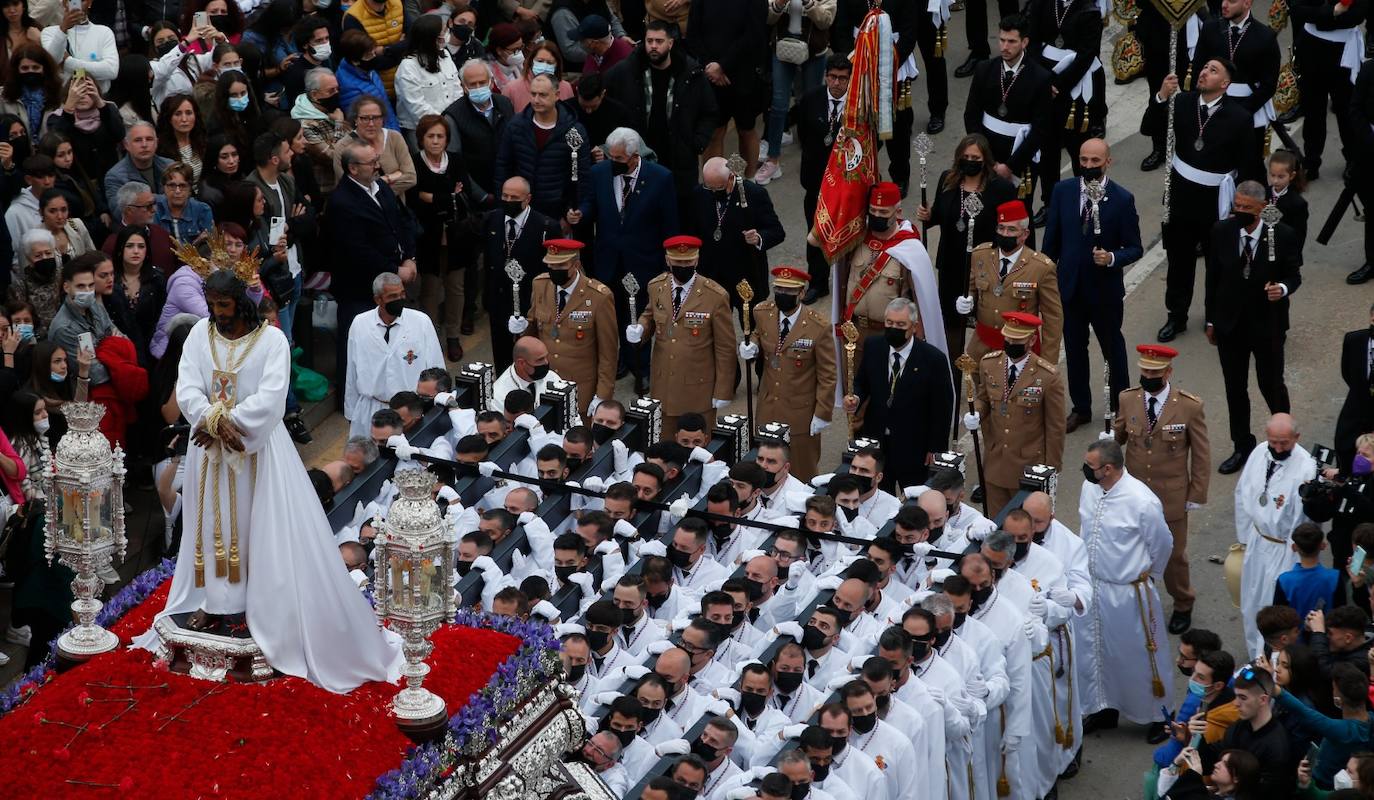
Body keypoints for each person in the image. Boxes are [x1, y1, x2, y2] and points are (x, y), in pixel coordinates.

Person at [133, 268, 404, 693]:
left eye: (224, 305)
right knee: (214, 530)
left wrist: (226, 422)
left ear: (240, 301)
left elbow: (272, 397)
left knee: (261, 527)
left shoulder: (272, 340)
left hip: (258, 453)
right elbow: (187, 388)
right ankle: (215, 602)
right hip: (209, 451)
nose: (218, 314)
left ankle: (266, 607)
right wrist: (208, 419)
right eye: (212, 305)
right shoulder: (201, 336)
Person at [1076, 438, 1175, 739]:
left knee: (1140, 656)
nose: (1085, 471)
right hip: (1096, 586)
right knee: (1098, 652)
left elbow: (1162, 543)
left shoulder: (1141, 501)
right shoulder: (1089, 489)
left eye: (1090, 466)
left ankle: (1160, 716)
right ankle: (1105, 708)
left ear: (1107, 469)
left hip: (1128, 592)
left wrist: (1147, 576)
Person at [1150, 58, 1254, 342]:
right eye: (1204, 67)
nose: (1204, 72)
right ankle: (1177, 316)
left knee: (1217, 263)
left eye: (1213, 70)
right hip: (1181, 195)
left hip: (1215, 201)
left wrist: (1243, 207)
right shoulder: (1182, 102)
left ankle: (1214, 317)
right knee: (1179, 260)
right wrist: (1161, 96)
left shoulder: (1240, 118)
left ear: (1225, 83)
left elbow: (1248, 166)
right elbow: (1150, 127)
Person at [1042, 138, 1141, 429]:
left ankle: (1121, 406)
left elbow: (1134, 247)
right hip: (1070, 287)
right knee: (1074, 349)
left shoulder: (1122, 199)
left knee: (1112, 348)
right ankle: (1081, 407)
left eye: (1094, 161)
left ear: (1107, 161)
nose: (1088, 166)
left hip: (1104, 290)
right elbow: (1052, 242)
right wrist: (1045, 279)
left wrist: (1111, 257)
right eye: (1083, 160)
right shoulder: (1063, 191)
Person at [1113, 344, 1210, 634]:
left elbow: (1202, 454)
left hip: (1171, 495)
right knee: (1135, 549)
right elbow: (1119, 435)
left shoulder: (1189, 406)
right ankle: (1142, 597)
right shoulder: (1129, 399)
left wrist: (1196, 494)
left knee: (1173, 555)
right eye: (1144, 371)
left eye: (1155, 372)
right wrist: (1108, 439)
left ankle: (1183, 602)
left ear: (1168, 372)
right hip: (1134, 494)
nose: (1148, 376)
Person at [1206, 181, 1303, 474]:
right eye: (1237, 206)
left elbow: (1294, 274)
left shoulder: (1282, 235)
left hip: (1267, 325)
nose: (1240, 212)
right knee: (1235, 388)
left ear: (1262, 208)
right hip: (1230, 325)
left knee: (1271, 384)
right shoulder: (1222, 231)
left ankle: (1283, 442)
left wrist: (1283, 289)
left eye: (1246, 208)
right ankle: (1242, 445)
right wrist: (1211, 319)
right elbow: (1213, 278)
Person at [574, 126, 679, 393]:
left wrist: (672, 258)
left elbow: (670, 221)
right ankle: (619, 359)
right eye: (611, 157)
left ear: (634, 157)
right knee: (612, 313)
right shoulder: (599, 173)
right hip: (608, 257)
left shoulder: (660, 177)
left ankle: (641, 368)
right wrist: (581, 214)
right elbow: (590, 203)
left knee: (638, 314)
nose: (613, 163)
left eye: (619, 159)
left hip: (643, 259)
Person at [325, 139, 417, 407]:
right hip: (359, 287)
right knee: (356, 345)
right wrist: (394, 271)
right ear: (353, 168)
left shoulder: (382, 189)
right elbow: (357, 249)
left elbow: (403, 222)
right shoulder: (342, 202)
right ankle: (351, 401)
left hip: (393, 276)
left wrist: (410, 257)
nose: (378, 166)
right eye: (372, 162)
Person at [915, 134, 1017, 364]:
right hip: (951, 264)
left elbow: (1010, 226)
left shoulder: (1000, 188)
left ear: (985, 160)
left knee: (987, 320)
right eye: (966, 156)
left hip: (984, 267)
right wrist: (929, 216)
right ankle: (952, 374)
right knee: (951, 323)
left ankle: (988, 371)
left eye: (975, 157)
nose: (970, 161)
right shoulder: (948, 180)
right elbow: (942, 215)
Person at [831, 180, 947, 371]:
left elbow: (920, 299)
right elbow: (819, 240)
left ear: (898, 212)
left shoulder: (909, 248)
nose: (876, 216)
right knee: (853, 392)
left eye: (883, 212)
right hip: (854, 332)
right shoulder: (855, 238)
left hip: (889, 334)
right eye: (873, 210)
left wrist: (918, 334)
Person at [626, 235, 735, 437]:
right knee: (663, 445)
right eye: (677, 262)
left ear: (697, 260)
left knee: (696, 447)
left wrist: (723, 390)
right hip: (663, 386)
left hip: (697, 389)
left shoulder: (715, 296)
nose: (682, 266)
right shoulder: (656, 287)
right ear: (668, 260)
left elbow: (725, 348)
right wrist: (640, 329)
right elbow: (650, 315)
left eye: (688, 262)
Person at [601, 19, 718, 202]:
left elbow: (709, 111)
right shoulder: (627, 70)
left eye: (659, 41)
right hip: (640, 157)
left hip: (679, 159)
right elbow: (605, 102)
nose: (653, 46)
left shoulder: (691, 73)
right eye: (649, 41)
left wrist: (697, 142)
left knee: (681, 213)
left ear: (670, 43)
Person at [738, 265, 836, 481]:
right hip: (768, 407)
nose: (782, 295)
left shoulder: (818, 327)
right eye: (778, 290)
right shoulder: (763, 313)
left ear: (801, 293)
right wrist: (752, 346)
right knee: (765, 470)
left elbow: (828, 374)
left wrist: (822, 413)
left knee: (800, 473)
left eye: (789, 292)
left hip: (800, 414)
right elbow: (757, 333)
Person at [843, 298, 953, 490]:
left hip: (914, 446)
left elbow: (942, 408)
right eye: (890, 323)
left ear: (914, 327)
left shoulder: (933, 359)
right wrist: (856, 398)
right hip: (877, 442)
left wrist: (935, 448)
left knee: (912, 503)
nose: (894, 328)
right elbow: (862, 381)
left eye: (901, 324)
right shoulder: (874, 346)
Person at [1236, 414, 1318, 658]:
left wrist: (1297, 555)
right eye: (1274, 442)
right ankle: (1254, 656)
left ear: (1297, 438)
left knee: (1275, 608)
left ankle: (1275, 662)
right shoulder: (1260, 451)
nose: (1278, 448)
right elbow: (1242, 492)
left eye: (1284, 443)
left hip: (1284, 548)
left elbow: (1305, 518)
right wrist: (1243, 538)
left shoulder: (1307, 467)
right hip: (1257, 540)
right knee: (1250, 601)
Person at [967, 311, 1066, 513]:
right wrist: (976, 412)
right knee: (995, 526)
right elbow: (984, 398)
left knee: (1026, 529)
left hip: (1028, 468)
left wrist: (1051, 470)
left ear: (1032, 340)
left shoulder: (1047, 376)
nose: (1011, 342)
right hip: (995, 463)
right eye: (1008, 337)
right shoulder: (989, 364)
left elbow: (1055, 427)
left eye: (1017, 339)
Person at [507, 239, 617, 418]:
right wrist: (521, 329)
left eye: (561, 266)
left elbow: (609, 354)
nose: (555, 271)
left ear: (576, 265)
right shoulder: (540, 285)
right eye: (551, 266)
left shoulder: (599, 297)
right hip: (543, 385)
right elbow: (533, 331)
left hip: (580, 390)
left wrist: (602, 395)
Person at [963, 15, 1054, 219]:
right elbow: (971, 115)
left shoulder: (1040, 77)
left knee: (1018, 214)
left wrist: (1011, 166)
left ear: (1024, 42)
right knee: (984, 212)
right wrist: (989, 161)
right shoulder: (985, 69)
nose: (1005, 46)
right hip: (987, 151)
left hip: (1020, 153)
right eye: (1002, 40)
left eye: (1011, 41)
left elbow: (1040, 129)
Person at [957, 199, 1063, 371]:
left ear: (1025, 234)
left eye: (1011, 229)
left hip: (1020, 350)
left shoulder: (1041, 267)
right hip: (982, 347)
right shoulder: (980, 255)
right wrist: (966, 300)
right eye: (1001, 228)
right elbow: (971, 288)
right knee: (979, 397)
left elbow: (1053, 318)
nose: (1005, 234)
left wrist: (1047, 362)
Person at [1188, 0, 1280, 182]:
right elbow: (1198, 70)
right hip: (1213, 105)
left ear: (1247, 3)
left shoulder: (1265, 36)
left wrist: (1242, 113)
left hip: (1248, 109)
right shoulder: (1210, 28)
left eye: (1231, 1)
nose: (1224, 4)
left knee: (1249, 167)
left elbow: (1269, 85)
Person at [344, 272, 444, 438]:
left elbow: (437, 370)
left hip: (409, 412)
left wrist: (434, 408)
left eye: (402, 294)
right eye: (392, 296)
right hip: (371, 409)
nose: (399, 299)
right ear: (378, 299)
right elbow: (352, 372)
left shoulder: (421, 322)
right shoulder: (360, 324)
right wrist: (351, 413)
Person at [408, 113, 475, 361]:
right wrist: (446, 196)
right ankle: (431, 338)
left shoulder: (456, 161)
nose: (436, 141)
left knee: (456, 287)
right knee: (430, 289)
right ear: (421, 139)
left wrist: (433, 197)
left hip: (456, 236)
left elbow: (462, 192)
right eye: (430, 136)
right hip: (428, 237)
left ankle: (453, 336)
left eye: (440, 136)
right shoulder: (415, 163)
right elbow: (415, 199)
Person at [688, 156, 785, 318]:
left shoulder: (754, 194)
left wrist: (758, 238)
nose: (712, 192)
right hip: (712, 275)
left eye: (717, 188)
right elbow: (693, 230)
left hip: (746, 274)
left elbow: (776, 231)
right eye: (708, 187)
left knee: (752, 327)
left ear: (731, 178)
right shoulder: (699, 194)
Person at [482, 177, 560, 374]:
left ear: (528, 199)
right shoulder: (493, 219)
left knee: (531, 358)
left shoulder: (546, 226)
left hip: (530, 303)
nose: (508, 200)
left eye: (514, 197)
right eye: (505, 196)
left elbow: (552, 272)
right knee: (502, 358)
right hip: (499, 301)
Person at [755, 0, 835, 187]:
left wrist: (809, 4)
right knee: (778, 104)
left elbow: (826, 21)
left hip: (814, 51)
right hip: (783, 49)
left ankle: (814, 156)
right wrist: (778, 5)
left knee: (812, 105)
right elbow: (767, 18)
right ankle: (773, 159)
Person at [493, 72, 591, 221]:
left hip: (556, 211)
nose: (536, 100)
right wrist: (504, 205)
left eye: (543, 95)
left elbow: (579, 174)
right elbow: (503, 166)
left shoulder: (573, 131)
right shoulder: (516, 125)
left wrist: (571, 209)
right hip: (519, 207)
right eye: (533, 94)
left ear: (557, 95)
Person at [1289, 0, 1365, 181]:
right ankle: (1311, 160)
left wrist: (1322, 15)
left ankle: (1352, 160)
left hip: (1343, 50)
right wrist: (1334, 11)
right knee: (1313, 108)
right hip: (1311, 48)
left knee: (1346, 109)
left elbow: (1356, 15)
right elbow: (1298, 9)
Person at [444, 57, 515, 208]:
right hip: (480, 197)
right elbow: (456, 162)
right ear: (464, 87)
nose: (478, 87)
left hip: (510, 189)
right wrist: (481, 196)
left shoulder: (505, 104)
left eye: (482, 82)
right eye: (472, 84)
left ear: (491, 82)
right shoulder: (453, 116)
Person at [107, 225, 166, 368]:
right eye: (130, 246)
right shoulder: (109, 278)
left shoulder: (157, 278)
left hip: (150, 348)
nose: (136, 251)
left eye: (141, 246)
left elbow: (162, 315)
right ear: (121, 249)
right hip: (119, 348)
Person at [393, 15, 461, 138]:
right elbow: (416, 106)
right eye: (443, 32)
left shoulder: (445, 54)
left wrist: (455, 118)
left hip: (452, 123)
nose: (447, 34)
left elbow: (457, 89)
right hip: (421, 129)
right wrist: (442, 122)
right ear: (431, 38)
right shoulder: (408, 67)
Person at [335, 95, 416, 196]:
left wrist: (374, 186)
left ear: (383, 119)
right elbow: (353, 189)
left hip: (395, 208)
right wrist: (390, 177)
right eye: (364, 118)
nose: (371, 124)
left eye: (376, 118)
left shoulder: (395, 137)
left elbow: (411, 178)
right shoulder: (343, 147)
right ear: (355, 120)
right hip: (363, 210)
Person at [1274, 523, 1348, 619]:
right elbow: (1341, 614)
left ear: (1294, 547)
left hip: (1294, 633)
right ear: (1323, 546)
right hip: (1327, 632)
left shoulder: (1284, 580)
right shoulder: (1335, 577)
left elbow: (1278, 618)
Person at [37, 0, 115, 90]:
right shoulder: (49, 32)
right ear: (64, 3)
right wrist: (63, 29)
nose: (77, 4)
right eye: (71, 0)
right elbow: (52, 64)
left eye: (82, 0)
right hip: (63, 98)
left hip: (97, 98)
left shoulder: (104, 32)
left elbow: (111, 71)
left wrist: (67, 62)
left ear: (89, 3)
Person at [335, 30, 399, 132]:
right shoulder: (348, 86)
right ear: (355, 61)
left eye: (373, 52)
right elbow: (364, 124)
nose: (374, 57)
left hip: (391, 129)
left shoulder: (367, 70)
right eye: (369, 55)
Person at [103, 121, 173, 213]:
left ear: (156, 143)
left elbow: (184, 199)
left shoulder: (170, 166)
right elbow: (122, 213)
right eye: (138, 140)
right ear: (126, 145)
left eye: (149, 139)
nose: (144, 145)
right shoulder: (115, 177)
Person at [500, 40, 576, 115]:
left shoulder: (566, 88)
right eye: (540, 61)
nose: (544, 66)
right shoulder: (512, 89)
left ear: (557, 65)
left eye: (550, 63)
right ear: (531, 61)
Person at [154, 161, 214, 244]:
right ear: (164, 187)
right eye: (172, 185)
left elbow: (208, 247)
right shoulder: (155, 210)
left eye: (182, 186)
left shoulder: (203, 210)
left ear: (190, 189)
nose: (177, 191)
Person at [1267, 151, 1309, 257]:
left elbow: (1299, 235)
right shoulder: (1264, 193)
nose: (1275, 181)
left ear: (1291, 176)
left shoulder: (1297, 203)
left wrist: (1292, 258)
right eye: (1272, 175)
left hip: (1283, 251)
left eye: (1281, 177)